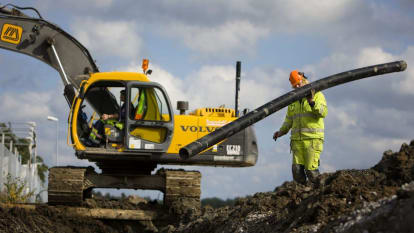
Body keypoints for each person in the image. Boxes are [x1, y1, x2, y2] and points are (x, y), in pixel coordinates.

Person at [273, 70, 328, 184]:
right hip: (297, 141)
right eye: (295, 86)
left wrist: (312, 102)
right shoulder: (293, 100)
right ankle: (303, 195)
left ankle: (321, 192)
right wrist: (280, 132)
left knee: (311, 171)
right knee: (297, 171)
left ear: (304, 80)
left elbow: (323, 113)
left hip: (312, 140)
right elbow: (288, 120)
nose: (298, 87)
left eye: (299, 83)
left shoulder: (317, 95)